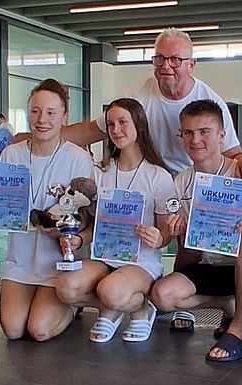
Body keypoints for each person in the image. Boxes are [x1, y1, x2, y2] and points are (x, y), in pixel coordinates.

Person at [151, 100, 242, 362]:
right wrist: (178, 230)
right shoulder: (181, 182)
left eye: (204, 132)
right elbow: (186, 246)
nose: (195, 140)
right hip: (212, 266)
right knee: (162, 296)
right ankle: (228, 304)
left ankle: (239, 332)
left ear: (222, 136)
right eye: (188, 132)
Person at [63, 28, 242, 178]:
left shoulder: (210, 102)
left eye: (175, 59)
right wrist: (49, 136)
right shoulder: (135, 96)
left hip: (192, 184)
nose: (166, 66)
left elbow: (232, 152)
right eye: (160, 58)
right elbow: (92, 130)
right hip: (149, 180)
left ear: (191, 65)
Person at [57, 98, 177, 343]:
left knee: (110, 290)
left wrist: (159, 238)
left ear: (139, 124)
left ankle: (140, 308)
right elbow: (95, 225)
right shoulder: (99, 172)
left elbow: (166, 232)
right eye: (111, 124)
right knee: (66, 288)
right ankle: (111, 308)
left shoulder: (158, 176)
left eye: (123, 122)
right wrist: (78, 239)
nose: (116, 130)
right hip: (104, 258)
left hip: (141, 263)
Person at [0, 79, 95, 342]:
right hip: (20, 259)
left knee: (39, 329)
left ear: (64, 117)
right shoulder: (11, 155)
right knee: (13, 329)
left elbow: (85, 216)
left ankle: (73, 306)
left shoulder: (78, 158)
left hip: (57, 261)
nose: (42, 119)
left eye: (50, 112)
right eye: (35, 111)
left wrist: (65, 230)